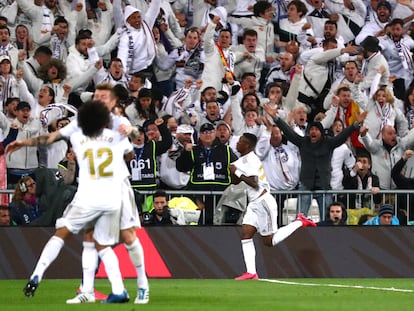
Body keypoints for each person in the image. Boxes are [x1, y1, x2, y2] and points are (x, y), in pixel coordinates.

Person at [6, 83, 150, 304]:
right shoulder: (83, 124)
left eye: (104, 96)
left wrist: (132, 131)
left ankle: (141, 286)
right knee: (91, 240)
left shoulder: (120, 122)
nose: (99, 98)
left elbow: (138, 136)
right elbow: (52, 137)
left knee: (128, 237)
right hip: (103, 191)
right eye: (97, 96)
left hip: (117, 186)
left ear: (113, 102)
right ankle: (88, 290)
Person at [230, 133, 316, 280]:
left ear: (248, 146)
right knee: (246, 234)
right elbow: (236, 182)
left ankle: (299, 221)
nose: (237, 143)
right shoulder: (240, 161)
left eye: (241, 141)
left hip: (263, 201)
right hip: (253, 203)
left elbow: (254, 183)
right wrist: (233, 171)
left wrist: (236, 171)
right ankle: (251, 272)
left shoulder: (251, 159)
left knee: (269, 241)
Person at [263, 103, 367, 219]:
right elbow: (288, 132)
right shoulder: (303, 142)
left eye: (316, 130)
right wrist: (276, 118)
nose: (313, 131)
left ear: (321, 133)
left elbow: (342, 136)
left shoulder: (329, 143)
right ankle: (301, 236)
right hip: (306, 185)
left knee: (327, 221)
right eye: (311, 129)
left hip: (324, 186)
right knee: (300, 221)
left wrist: (355, 125)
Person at [176, 122, 238, 224]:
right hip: (199, 193)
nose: (207, 134)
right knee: (201, 224)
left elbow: (237, 167)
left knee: (222, 224)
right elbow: (181, 167)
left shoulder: (226, 150)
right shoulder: (193, 150)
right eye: (204, 132)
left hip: (221, 193)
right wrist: (185, 153)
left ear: (215, 134)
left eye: (210, 132)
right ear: (200, 135)